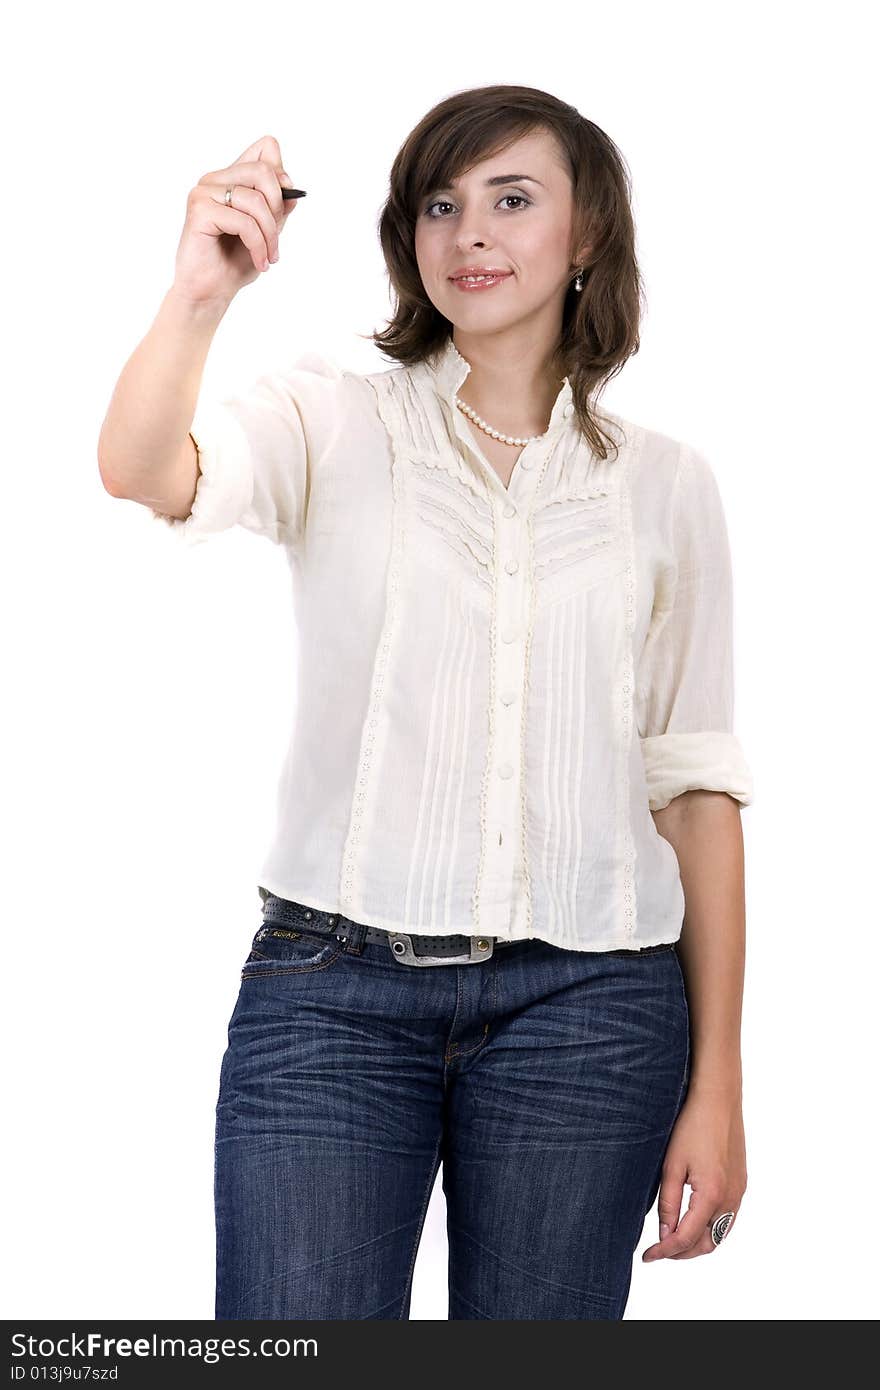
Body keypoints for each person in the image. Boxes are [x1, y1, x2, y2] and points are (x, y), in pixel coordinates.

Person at [98, 84, 753, 1321]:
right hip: (331, 992)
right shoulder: (329, 417)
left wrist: (716, 1081)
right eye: (439, 205)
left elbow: (697, 791)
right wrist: (200, 295)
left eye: (513, 199)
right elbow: (141, 468)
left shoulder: (666, 486)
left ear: (589, 235)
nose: (471, 235)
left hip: (592, 1010)